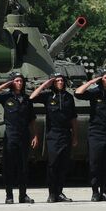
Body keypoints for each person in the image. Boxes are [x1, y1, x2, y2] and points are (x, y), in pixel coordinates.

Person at [0, 72, 38, 204]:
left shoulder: (26, 99)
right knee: (9, 167)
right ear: (12, 83)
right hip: (11, 135)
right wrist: (4, 85)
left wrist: (35, 135)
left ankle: (23, 195)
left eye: (21, 81)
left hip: (24, 135)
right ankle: (9, 196)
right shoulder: (6, 97)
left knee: (23, 167)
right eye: (16, 81)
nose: (19, 83)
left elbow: (32, 119)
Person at [75, 69, 106, 202]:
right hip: (96, 133)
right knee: (95, 163)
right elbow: (78, 93)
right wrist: (92, 81)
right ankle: (95, 191)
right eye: (105, 78)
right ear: (101, 79)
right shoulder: (94, 92)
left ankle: (104, 191)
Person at [30, 73, 78, 203]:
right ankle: (51, 193)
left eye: (62, 80)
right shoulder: (48, 96)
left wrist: (75, 136)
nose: (60, 82)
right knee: (53, 164)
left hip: (66, 134)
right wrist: (46, 84)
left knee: (63, 165)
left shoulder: (69, 97)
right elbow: (32, 97)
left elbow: (73, 118)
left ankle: (59, 192)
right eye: (57, 80)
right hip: (53, 134)